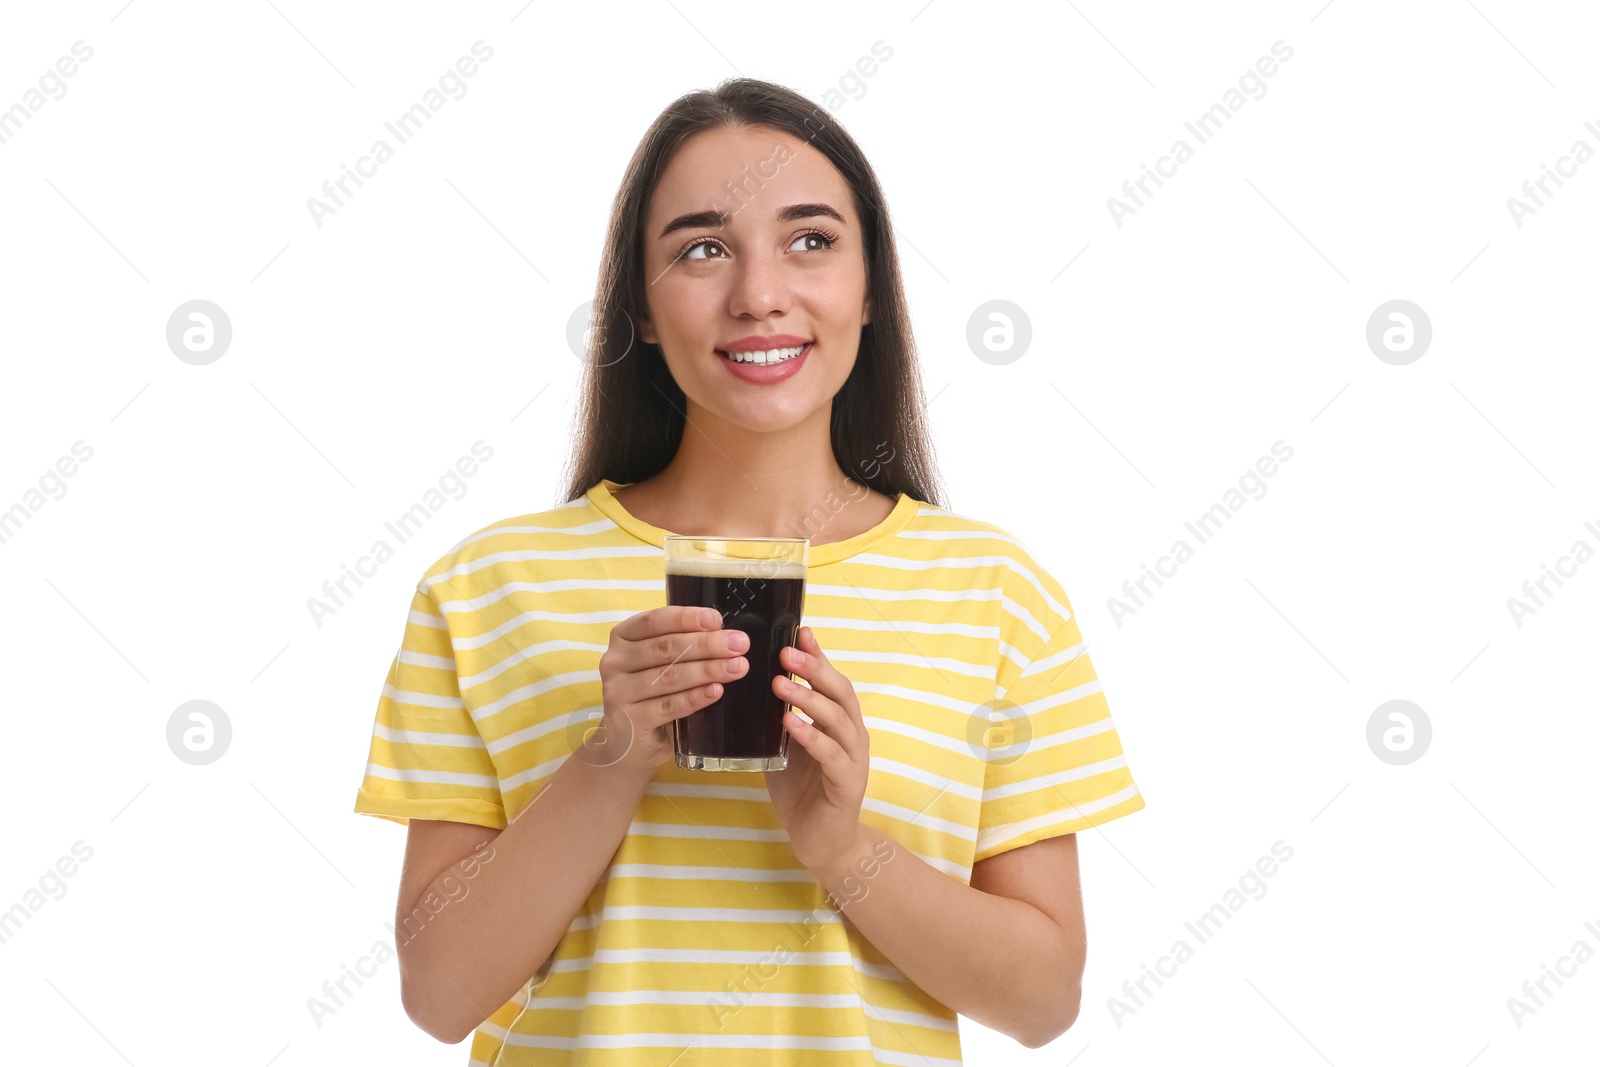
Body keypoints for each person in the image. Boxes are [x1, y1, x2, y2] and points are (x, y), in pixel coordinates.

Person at [352, 76, 1145, 1064]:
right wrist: (612, 758)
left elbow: (1041, 1000)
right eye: (701, 248)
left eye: (810, 240)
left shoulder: (995, 591)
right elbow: (439, 992)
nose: (759, 293)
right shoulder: (485, 588)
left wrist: (841, 846)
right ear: (638, 308)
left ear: (870, 290)